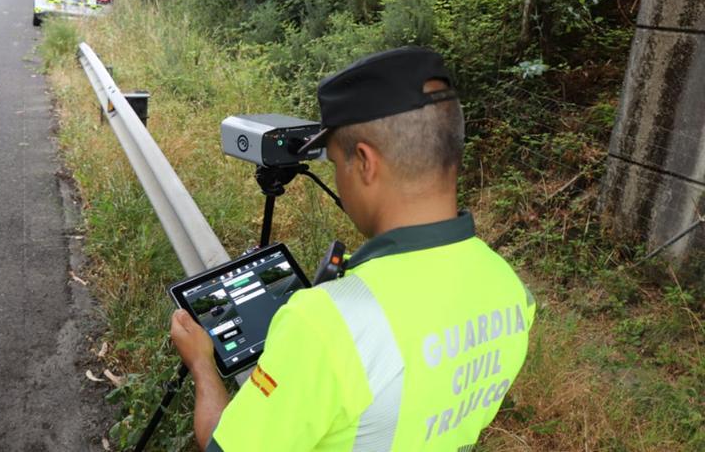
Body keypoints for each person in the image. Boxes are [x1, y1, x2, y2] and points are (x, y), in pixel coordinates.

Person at [170, 46, 536, 451]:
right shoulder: (511, 288)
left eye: (334, 161)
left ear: (364, 162)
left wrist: (202, 364)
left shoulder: (323, 324)